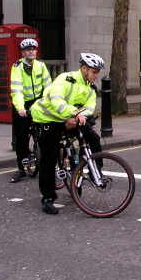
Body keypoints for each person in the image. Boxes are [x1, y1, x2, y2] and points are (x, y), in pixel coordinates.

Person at [30, 53, 104, 215]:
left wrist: (79, 118)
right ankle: (48, 199)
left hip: (70, 118)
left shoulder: (90, 87)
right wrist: (73, 114)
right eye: (94, 71)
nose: (96, 75)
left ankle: (95, 171)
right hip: (47, 118)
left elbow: (90, 107)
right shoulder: (66, 79)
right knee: (49, 159)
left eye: (98, 72)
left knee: (93, 137)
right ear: (84, 69)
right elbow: (56, 100)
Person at [9, 38, 52, 183]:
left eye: (33, 49)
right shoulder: (17, 67)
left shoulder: (41, 66)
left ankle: (45, 161)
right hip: (23, 103)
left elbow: (48, 86)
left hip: (38, 102)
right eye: (28, 49)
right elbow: (16, 90)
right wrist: (20, 108)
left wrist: (46, 102)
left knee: (45, 133)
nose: (31, 51)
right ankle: (21, 168)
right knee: (21, 137)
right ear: (23, 52)